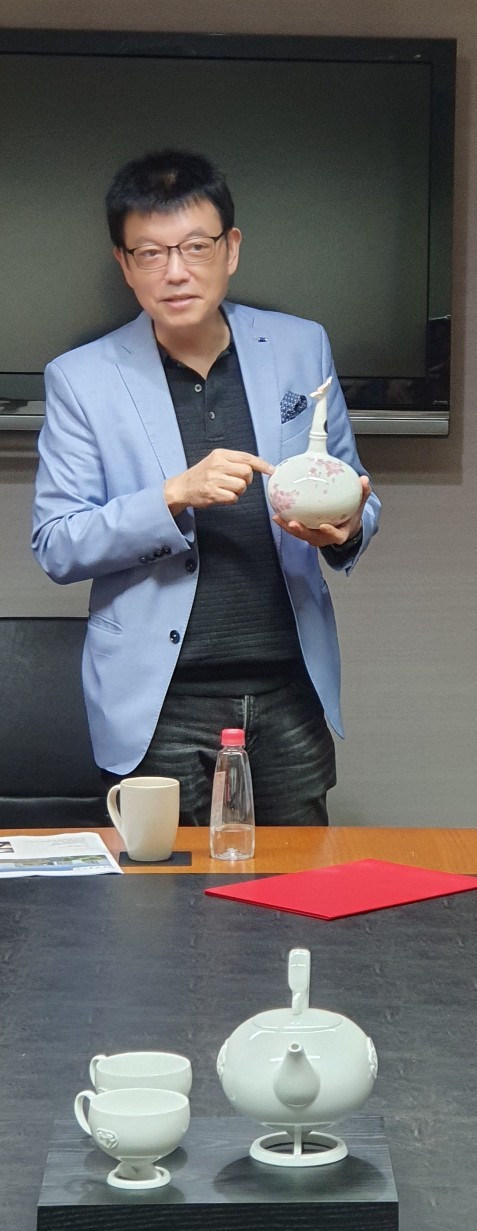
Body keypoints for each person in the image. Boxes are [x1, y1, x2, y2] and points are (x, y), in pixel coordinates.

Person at [32, 149, 381, 826]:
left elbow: (355, 491)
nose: (176, 271)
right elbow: (57, 544)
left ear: (231, 248)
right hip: (159, 703)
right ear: (124, 264)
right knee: (167, 891)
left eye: (196, 246)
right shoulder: (81, 378)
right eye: (150, 253)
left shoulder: (301, 346)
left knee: (297, 884)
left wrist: (345, 528)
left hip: (288, 690)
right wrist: (171, 496)